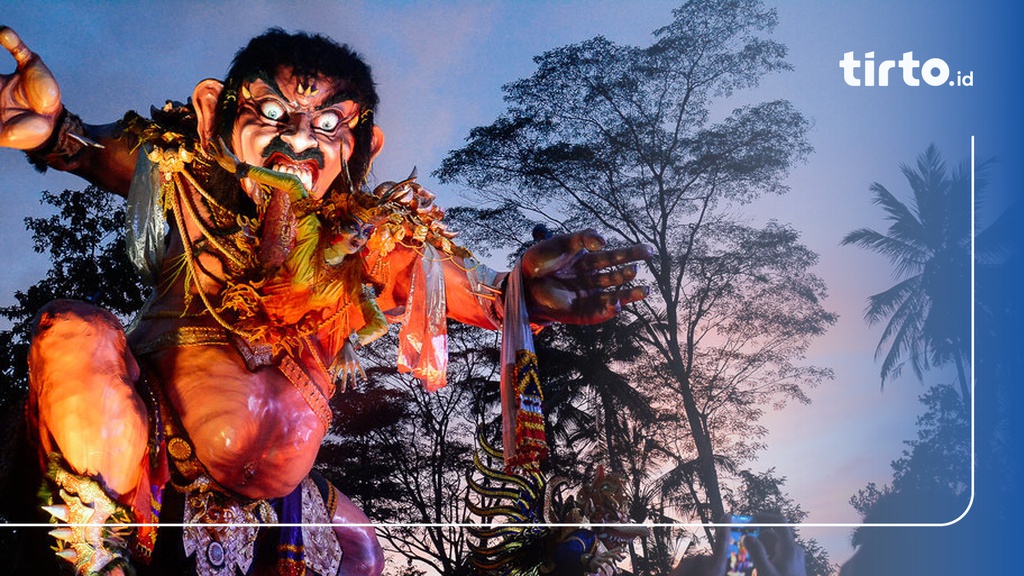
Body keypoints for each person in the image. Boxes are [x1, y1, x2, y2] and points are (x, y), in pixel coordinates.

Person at [0, 25, 650, 576]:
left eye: (331, 125)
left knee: (358, 543)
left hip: (278, 504)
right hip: (146, 456)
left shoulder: (365, 235)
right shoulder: (186, 175)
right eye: (275, 116)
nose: (302, 142)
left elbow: (478, 294)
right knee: (75, 331)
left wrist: (528, 291)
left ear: (364, 149)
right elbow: (84, 147)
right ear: (212, 112)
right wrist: (53, 130)